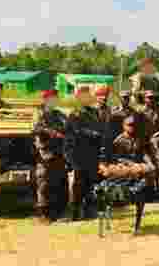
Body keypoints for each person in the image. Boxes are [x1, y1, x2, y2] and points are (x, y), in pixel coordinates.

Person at [64, 86, 104, 220]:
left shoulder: (94, 112)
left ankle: (88, 211)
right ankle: (75, 212)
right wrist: (94, 134)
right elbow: (77, 131)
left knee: (91, 183)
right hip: (79, 154)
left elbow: (100, 127)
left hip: (92, 153)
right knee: (79, 184)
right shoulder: (75, 113)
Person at [32, 90, 68, 223]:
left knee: (60, 181)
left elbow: (67, 125)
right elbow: (36, 128)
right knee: (44, 182)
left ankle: (59, 211)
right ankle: (43, 213)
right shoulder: (39, 113)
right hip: (45, 152)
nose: (55, 101)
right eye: (53, 99)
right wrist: (51, 132)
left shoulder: (59, 114)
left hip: (59, 151)